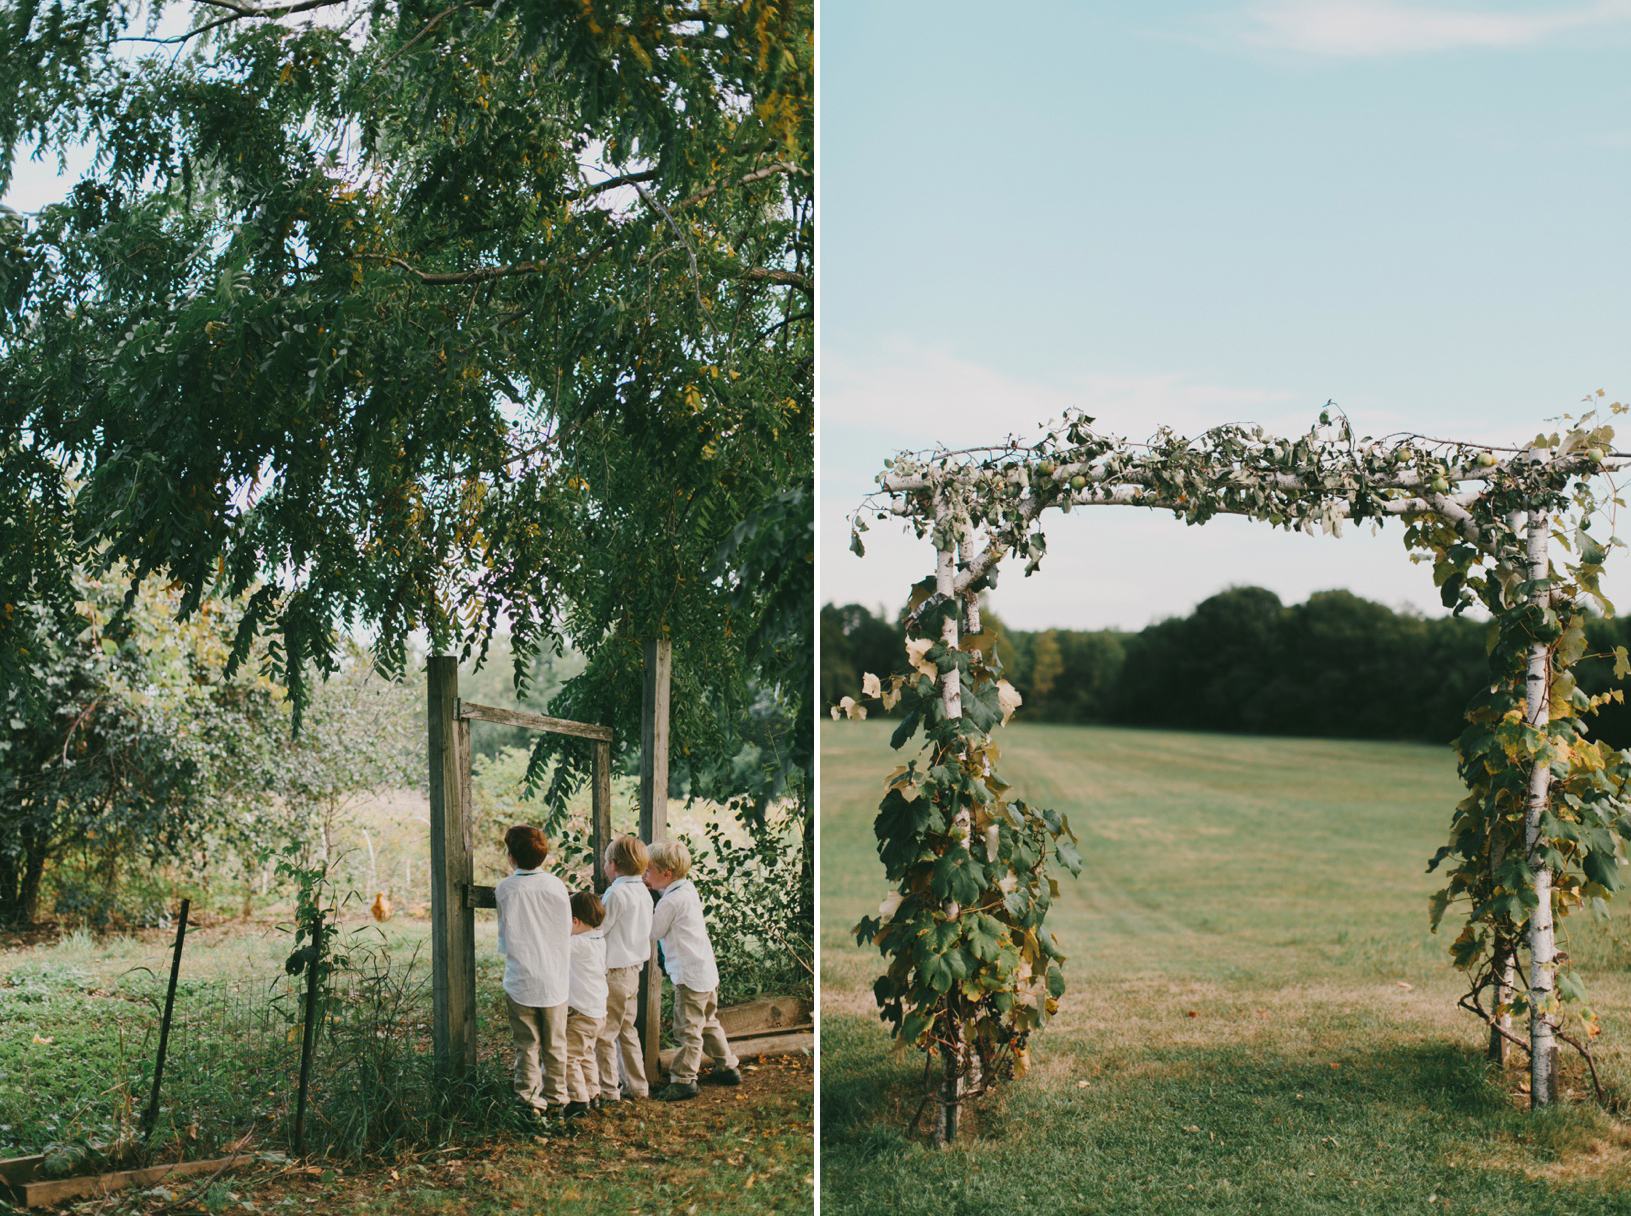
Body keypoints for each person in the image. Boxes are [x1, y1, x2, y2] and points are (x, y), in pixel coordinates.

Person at [645, 839, 740, 1101]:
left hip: (688, 977)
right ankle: (727, 1067)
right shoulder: (686, 888)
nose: (644, 875)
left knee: (688, 1031)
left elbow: (653, 931)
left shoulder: (670, 902)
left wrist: (640, 907)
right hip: (706, 972)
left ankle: (684, 1080)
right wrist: (654, 888)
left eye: (648, 871)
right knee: (708, 1022)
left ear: (666, 874)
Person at [495, 824, 571, 1115]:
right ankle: (557, 1099)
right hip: (554, 979)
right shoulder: (556, 885)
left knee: (526, 1045)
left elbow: (505, 937)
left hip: (521, 979)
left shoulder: (506, 889)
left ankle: (529, 1102)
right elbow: (565, 927)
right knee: (556, 1044)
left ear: (511, 856)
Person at [596, 834, 654, 1102]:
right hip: (633, 972)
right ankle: (637, 1085)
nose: (604, 866)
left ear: (615, 865)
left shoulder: (616, 893)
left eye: (605, 862)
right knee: (627, 1030)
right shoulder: (644, 893)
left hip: (614, 974)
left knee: (605, 1032)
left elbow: (600, 927)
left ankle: (608, 1088)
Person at [563, 889, 608, 1119]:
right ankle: (593, 1093)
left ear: (574, 921)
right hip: (597, 1012)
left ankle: (578, 1099)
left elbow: (554, 944)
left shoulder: (577, 943)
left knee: (569, 1056)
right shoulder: (599, 939)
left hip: (580, 1013)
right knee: (587, 1054)